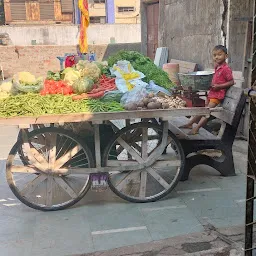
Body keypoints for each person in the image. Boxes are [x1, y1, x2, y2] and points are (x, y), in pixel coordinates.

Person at [180, 45, 235, 135]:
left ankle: (196, 128)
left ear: (226, 56)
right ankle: (190, 124)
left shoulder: (226, 69)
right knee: (203, 110)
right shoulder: (217, 66)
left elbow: (231, 82)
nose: (216, 57)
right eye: (214, 55)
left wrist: (219, 86)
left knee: (206, 112)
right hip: (212, 93)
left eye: (219, 54)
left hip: (217, 95)